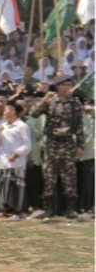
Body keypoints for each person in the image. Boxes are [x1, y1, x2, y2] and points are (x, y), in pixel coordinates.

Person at [29, 74, 84, 218]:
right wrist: (43, 100)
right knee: (49, 176)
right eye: (63, 85)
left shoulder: (75, 103)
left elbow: (79, 126)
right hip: (52, 143)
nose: (66, 88)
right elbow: (33, 114)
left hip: (68, 143)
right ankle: (49, 209)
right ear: (58, 86)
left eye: (68, 85)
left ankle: (70, 209)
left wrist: (80, 146)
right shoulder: (50, 102)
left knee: (69, 177)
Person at [0, 102, 32, 218]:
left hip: (17, 162)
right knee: (3, 187)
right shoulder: (3, 125)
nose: (4, 112)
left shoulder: (22, 126)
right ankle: (4, 210)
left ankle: (17, 212)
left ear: (12, 111)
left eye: (6, 110)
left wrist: (16, 154)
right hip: (4, 161)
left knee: (17, 187)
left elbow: (28, 145)